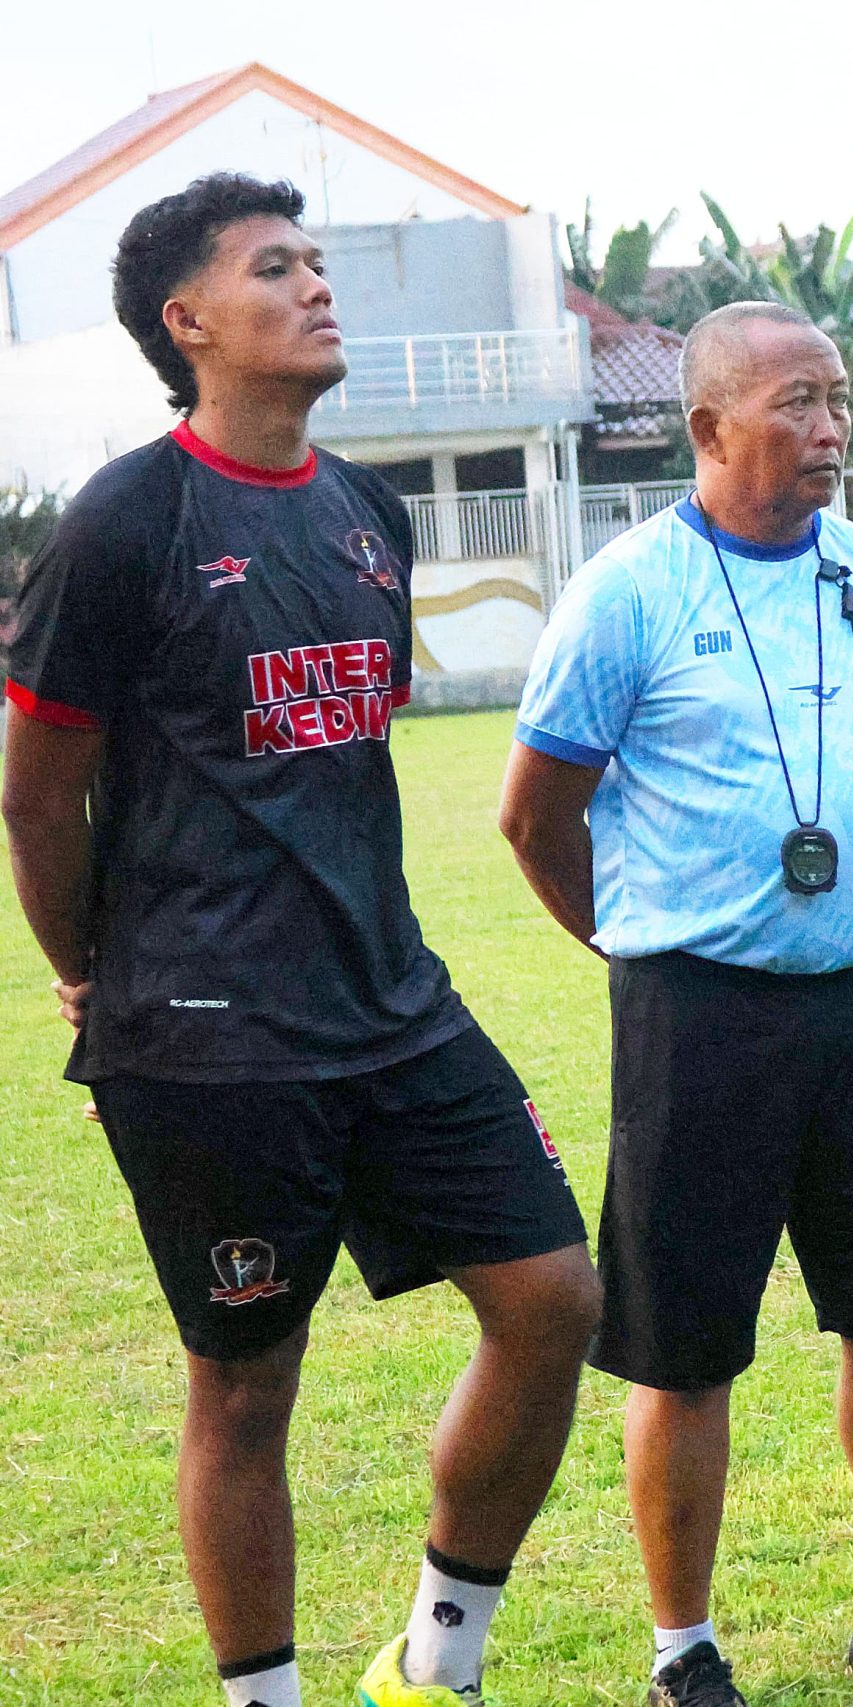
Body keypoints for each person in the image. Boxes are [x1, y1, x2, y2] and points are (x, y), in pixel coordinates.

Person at [0, 173, 601, 1707]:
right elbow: (33, 794)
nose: (320, 288)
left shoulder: (366, 509)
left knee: (552, 1296)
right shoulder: (127, 520)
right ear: (188, 321)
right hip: (209, 1036)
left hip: (396, 1003)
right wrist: (95, 966)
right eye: (278, 269)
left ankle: (436, 1660)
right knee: (249, 1377)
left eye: (320, 264)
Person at [499, 302, 853, 1702]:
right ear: (709, 426)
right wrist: (644, 948)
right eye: (797, 402)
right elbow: (538, 817)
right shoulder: (626, 593)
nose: (831, 426)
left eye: (838, 399)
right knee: (685, 1339)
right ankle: (683, 1648)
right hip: (696, 1016)